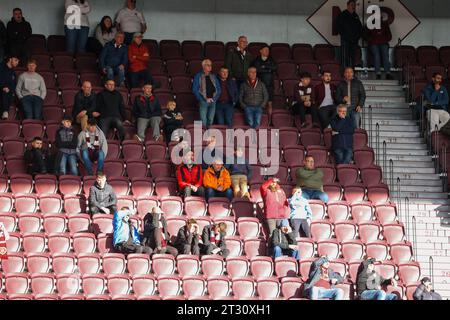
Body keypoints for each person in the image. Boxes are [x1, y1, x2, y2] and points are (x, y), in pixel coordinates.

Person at [364, 10, 393, 80]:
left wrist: (383, 40)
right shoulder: (369, 24)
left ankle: (388, 73)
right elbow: (365, 35)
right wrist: (372, 40)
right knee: (376, 55)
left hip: (383, 43)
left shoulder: (384, 24)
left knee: (385, 55)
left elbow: (389, 36)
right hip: (373, 44)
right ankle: (378, 73)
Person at [192, 59, 221, 128]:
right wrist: (202, 99)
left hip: (213, 101)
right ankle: (203, 136)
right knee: (203, 121)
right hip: (203, 101)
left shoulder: (213, 76)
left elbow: (218, 89)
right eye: (208, 65)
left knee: (210, 120)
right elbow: (195, 90)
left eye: (211, 65)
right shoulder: (198, 76)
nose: (210, 67)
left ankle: (209, 136)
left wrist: (214, 99)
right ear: (203, 66)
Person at [336, 0, 363, 68]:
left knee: (353, 57)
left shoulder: (355, 15)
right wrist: (345, 37)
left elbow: (360, 28)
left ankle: (352, 72)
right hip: (346, 40)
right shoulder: (342, 15)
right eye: (352, 5)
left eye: (354, 5)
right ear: (347, 6)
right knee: (345, 57)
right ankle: (345, 72)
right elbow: (339, 28)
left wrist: (358, 36)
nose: (353, 6)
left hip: (354, 40)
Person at [253, 46, 277, 117]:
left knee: (269, 104)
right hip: (259, 85)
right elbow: (257, 69)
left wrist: (265, 66)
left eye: (268, 50)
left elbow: (275, 67)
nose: (267, 51)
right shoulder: (257, 59)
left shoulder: (271, 59)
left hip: (269, 85)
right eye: (265, 50)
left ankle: (270, 121)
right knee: (259, 104)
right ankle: (260, 120)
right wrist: (269, 70)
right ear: (261, 51)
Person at [0, 55, 19, 120]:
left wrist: (10, 90)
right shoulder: (1, 67)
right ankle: (5, 111)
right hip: (2, 90)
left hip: (8, 93)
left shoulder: (13, 73)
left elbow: (14, 85)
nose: (17, 62)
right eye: (16, 60)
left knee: (8, 93)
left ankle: (5, 112)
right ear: (10, 59)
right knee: (5, 92)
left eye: (18, 61)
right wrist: (3, 87)